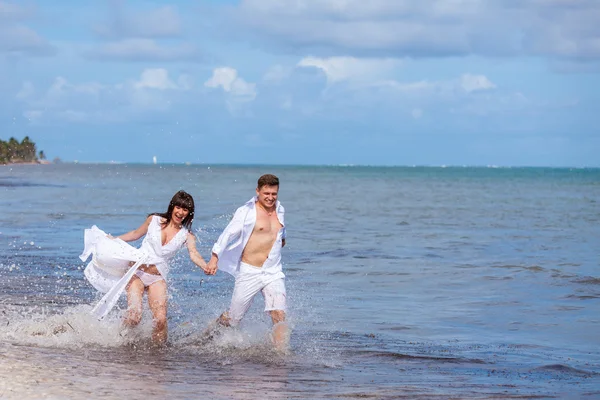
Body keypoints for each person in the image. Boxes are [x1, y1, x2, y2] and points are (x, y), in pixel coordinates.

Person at [79, 190, 209, 345]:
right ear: (172, 206)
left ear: (189, 213)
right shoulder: (154, 220)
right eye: (178, 207)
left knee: (160, 320)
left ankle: (159, 353)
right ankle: (118, 341)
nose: (180, 212)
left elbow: (194, 254)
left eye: (185, 209)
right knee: (134, 316)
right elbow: (135, 234)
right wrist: (113, 239)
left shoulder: (187, 235)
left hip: (157, 278)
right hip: (137, 273)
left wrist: (205, 266)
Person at [204, 174, 289, 351]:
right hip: (249, 271)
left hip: (273, 272)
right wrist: (214, 257)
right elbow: (227, 234)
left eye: (274, 193)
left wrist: (280, 239)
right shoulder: (246, 212)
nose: (270, 197)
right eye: (266, 193)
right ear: (257, 191)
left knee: (279, 314)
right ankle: (213, 329)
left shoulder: (280, 209)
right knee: (234, 319)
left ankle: (281, 357)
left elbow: (281, 232)